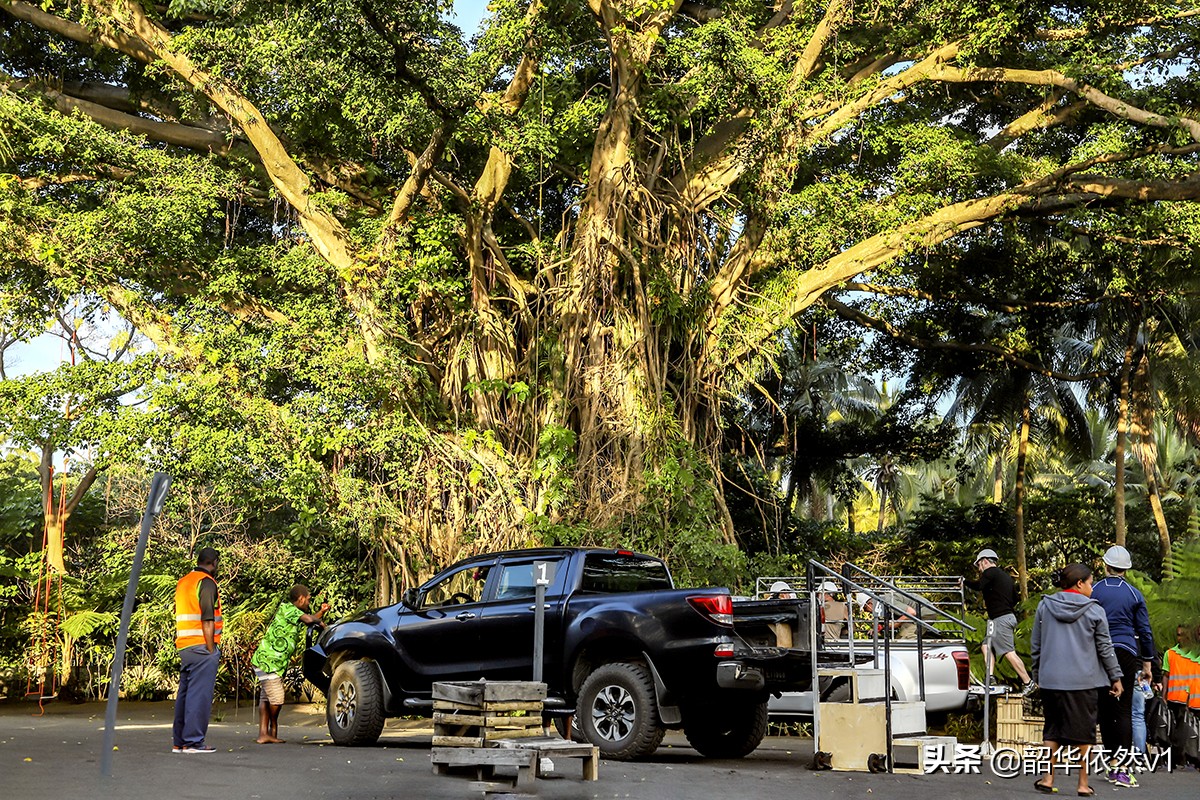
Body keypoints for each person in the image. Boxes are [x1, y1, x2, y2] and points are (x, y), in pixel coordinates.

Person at [1031, 563, 1123, 797]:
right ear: (1079, 583)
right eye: (1091, 583)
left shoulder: (1045, 606)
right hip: (1083, 682)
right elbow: (1105, 647)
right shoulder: (1094, 610)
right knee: (1084, 734)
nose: (1092, 588)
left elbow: (1036, 645)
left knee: (1052, 730)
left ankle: (1047, 778)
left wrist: (1037, 674)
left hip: (1051, 680)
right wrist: (1116, 676)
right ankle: (1082, 784)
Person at [1090, 544, 1157, 787]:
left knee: (1105, 708)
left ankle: (1112, 762)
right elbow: (1145, 632)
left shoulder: (1093, 589)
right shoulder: (1134, 594)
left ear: (1105, 565)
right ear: (1126, 571)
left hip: (1099, 654)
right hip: (1128, 653)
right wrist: (1147, 663)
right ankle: (1122, 765)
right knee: (1125, 708)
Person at [250, 584, 330, 743]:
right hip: (268, 662)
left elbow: (308, 618)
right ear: (300, 599)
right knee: (277, 699)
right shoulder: (287, 609)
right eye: (307, 599)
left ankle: (264, 734)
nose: (308, 602)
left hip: (267, 661)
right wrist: (321, 624)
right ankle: (271, 728)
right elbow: (309, 620)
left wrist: (321, 613)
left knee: (266, 698)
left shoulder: (293, 613)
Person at [172, 547, 222, 754]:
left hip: (185, 645)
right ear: (214, 562)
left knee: (185, 694)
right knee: (199, 696)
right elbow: (207, 618)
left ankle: (180, 741)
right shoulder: (207, 582)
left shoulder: (184, 581)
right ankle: (193, 742)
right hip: (202, 646)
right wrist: (211, 649)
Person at [966, 548, 1034, 694]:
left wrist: (964, 581)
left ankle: (1028, 682)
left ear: (984, 561)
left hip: (1001, 619)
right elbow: (1015, 598)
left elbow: (979, 586)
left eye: (979, 565)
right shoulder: (1005, 577)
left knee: (1008, 652)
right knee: (986, 646)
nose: (979, 569)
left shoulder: (989, 572)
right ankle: (990, 678)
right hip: (1000, 618)